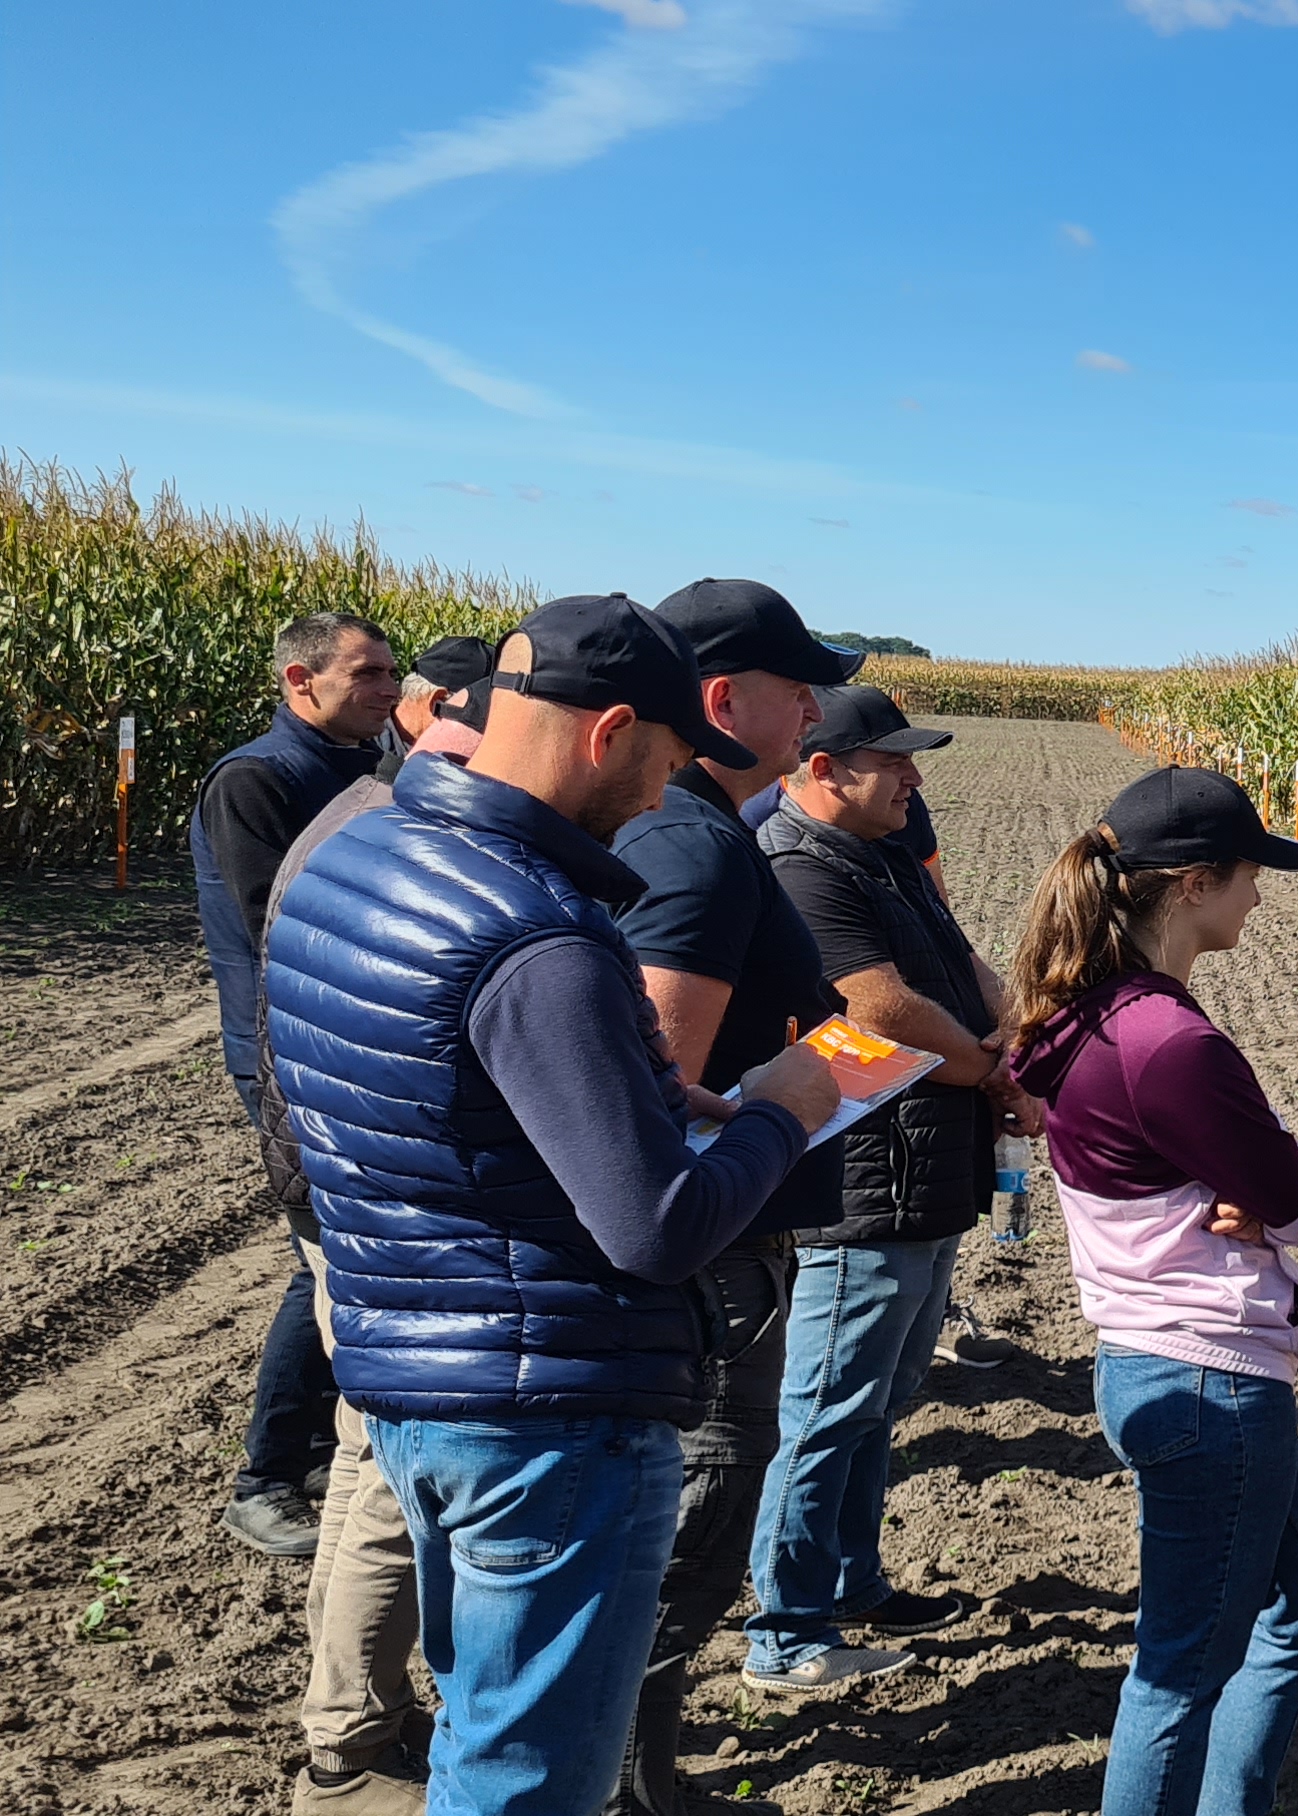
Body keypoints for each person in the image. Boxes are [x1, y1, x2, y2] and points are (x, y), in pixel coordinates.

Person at [260, 594, 839, 1816]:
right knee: (528, 1782)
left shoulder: (349, 853)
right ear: (609, 731)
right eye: (668, 763)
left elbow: (406, 1097)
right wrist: (786, 1102)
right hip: (550, 1422)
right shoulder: (542, 937)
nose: (660, 799)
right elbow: (661, 1227)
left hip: (410, 1378)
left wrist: (626, 1088)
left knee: (484, 1732)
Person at [997, 766, 1298, 1816]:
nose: (1258, 895)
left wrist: (1253, 1190)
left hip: (1155, 1362)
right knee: (1181, 1668)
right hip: (1209, 1384)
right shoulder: (1168, 1043)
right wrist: (1276, 1190)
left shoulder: (1087, 1016)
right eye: (1248, 875)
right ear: (1193, 883)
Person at [603, 579, 874, 1815]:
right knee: (705, 1499)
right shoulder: (698, 850)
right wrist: (783, 1103)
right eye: (798, 683)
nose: (817, 703)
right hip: (712, 1258)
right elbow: (650, 1095)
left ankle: (632, 1762)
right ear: (722, 701)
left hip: (722, 1240)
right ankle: (625, 1774)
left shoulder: (695, 832)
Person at [744, 687, 1029, 1685]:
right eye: (895, 760)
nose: (915, 776)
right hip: (864, 1179)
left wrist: (1010, 1038)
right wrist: (993, 1070)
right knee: (827, 1405)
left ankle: (853, 1581)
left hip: (925, 1167)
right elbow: (883, 1009)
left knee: (880, 1394)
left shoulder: (888, 855)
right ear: (824, 770)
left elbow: (966, 967)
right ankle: (785, 1633)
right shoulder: (796, 865)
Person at [256, 669, 492, 1816]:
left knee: (367, 1456)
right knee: (395, 1473)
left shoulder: (350, 824)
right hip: (371, 1205)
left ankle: (346, 1717)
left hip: (339, 1191)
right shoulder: (392, 842)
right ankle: (349, 1743)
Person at [200, 610, 403, 1560]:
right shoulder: (256, 781)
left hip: (349, 1049)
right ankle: (265, 1478)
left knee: (341, 1261)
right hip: (288, 1058)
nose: (388, 691)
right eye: (367, 676)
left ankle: (319, 1451)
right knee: (319, 1262)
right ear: (299, 680)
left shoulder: (370, 770)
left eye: (391, 675)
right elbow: (276, 923)